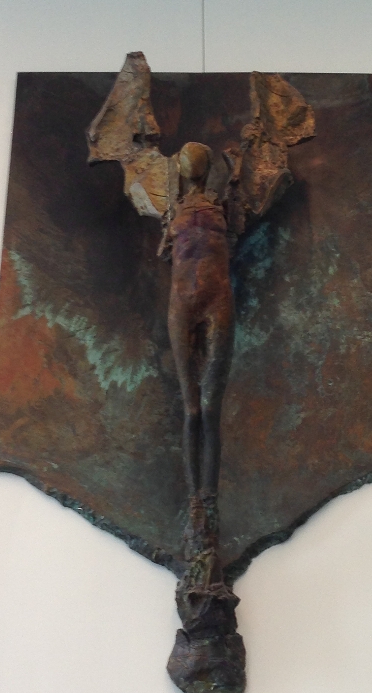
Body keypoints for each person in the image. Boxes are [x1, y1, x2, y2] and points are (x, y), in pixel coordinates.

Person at [159, 142, 234, 526]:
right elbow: (164, 252)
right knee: (192, 409)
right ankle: (194, 501)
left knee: (210, 408)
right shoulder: (171, 209)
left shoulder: (226, 204)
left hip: (218, 303)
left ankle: (210, 498)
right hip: (181, 307)